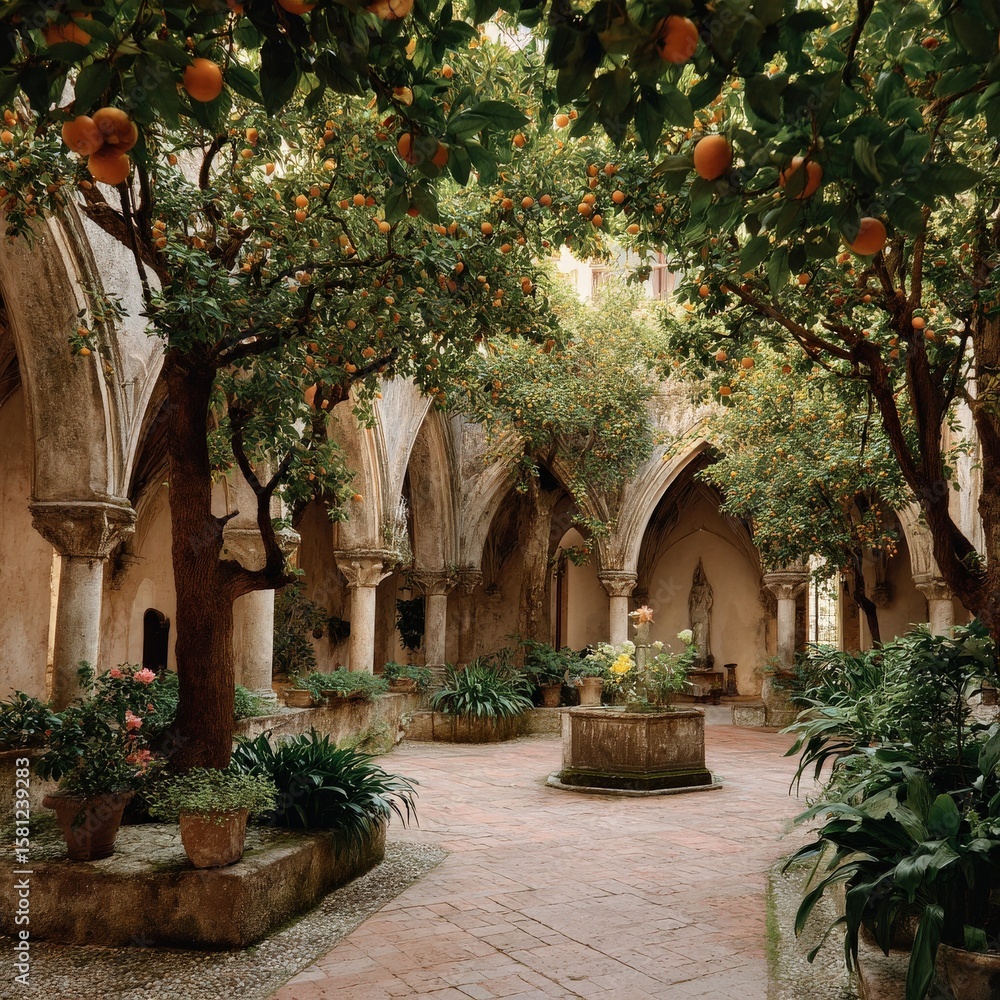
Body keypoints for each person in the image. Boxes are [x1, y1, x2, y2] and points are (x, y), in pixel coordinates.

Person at [688, 559, 714, 668]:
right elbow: (708, 602)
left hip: (701, 616)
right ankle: (698, 660)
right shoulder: (698, 589)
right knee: (697, 638)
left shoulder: (704, 588)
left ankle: (702, 660)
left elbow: (709, 602)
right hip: (698, 616)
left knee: (702, 639)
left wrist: (702, 607)